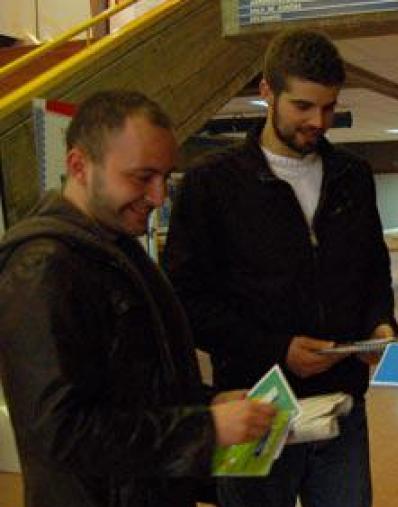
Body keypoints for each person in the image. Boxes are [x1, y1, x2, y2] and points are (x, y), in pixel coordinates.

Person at [0, 90, 277, 507]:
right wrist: (205, 428)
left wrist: (206, 403)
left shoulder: (117, 249)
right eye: (141, 177)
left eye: (165, 177)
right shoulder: (43, 268)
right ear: (78, 166)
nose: (159, 197)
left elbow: (134, 388)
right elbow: (60, 432)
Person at [162, 29, 398, 507]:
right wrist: (278, 349)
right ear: (266, 92)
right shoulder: (211, 184)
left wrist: (381, 321)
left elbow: (373, 268)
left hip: (341, 407)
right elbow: (185, 302)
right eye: (303, 106)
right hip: (254, 407)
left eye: (329, 107)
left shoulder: (352, 176)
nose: (319, 121)